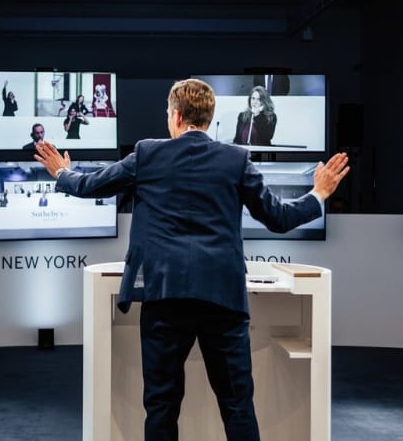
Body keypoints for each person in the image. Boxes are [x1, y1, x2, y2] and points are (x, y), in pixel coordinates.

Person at [34, 78, 349, 441]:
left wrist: (61, 171)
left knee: (161, 405)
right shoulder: (236, 159)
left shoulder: (148, 153)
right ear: (209, 119)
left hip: (164, 298)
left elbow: (92, 186)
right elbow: (277, 217)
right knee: (237, 405)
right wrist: (318, 194)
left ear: (177, 115)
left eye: (168, 113)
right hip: (223, 300)